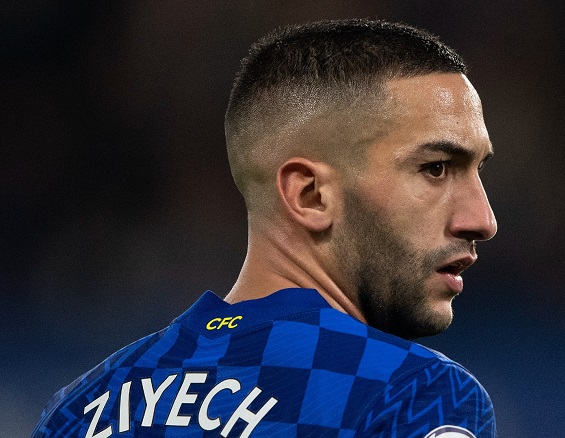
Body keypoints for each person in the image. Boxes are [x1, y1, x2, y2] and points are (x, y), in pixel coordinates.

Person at [33, 19, 498, 437]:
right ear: (310, 195)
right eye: (436, 168)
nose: (483, 220)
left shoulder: (78, 410)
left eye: (478, 171)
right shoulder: (412, 394)